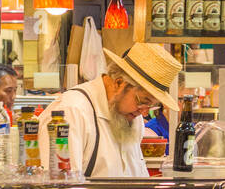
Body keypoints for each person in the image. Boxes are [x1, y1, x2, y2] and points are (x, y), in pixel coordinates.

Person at [37, 42, 180, 178]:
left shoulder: (132, 119)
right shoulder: (71, 112)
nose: (144, 113)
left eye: (151, 106)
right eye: (142, 102)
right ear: (119, 83)